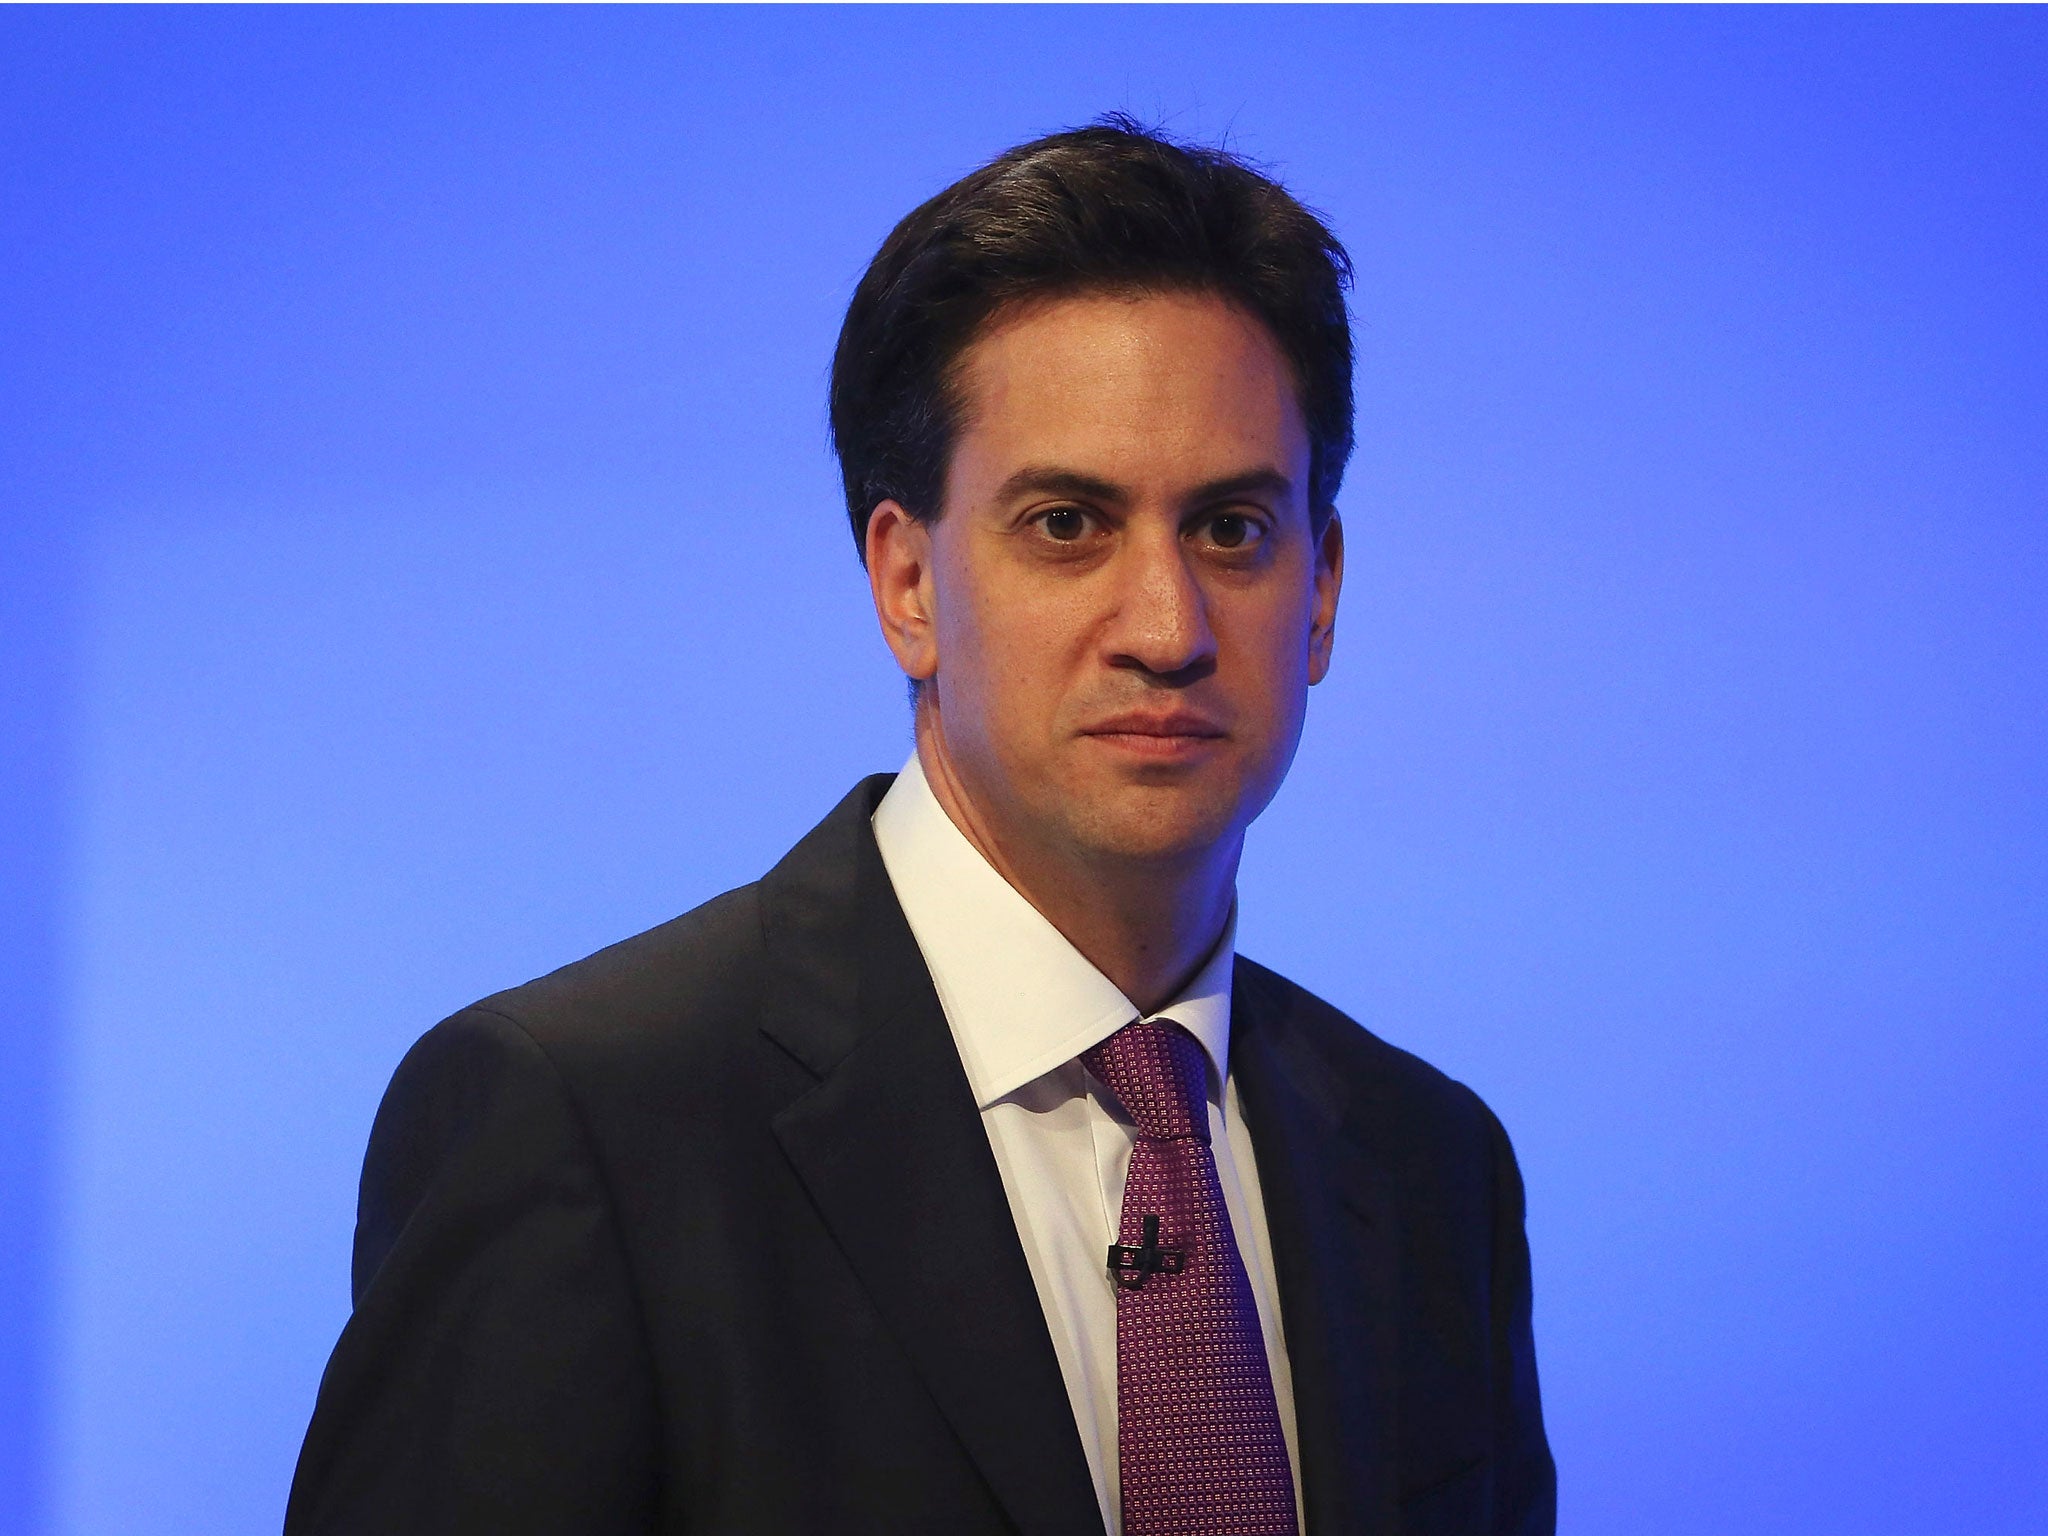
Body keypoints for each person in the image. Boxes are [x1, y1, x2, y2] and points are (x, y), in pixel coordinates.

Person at [285, 117, 1554, 1536]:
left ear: (1319, 588)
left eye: (1232, 530)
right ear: (905, 582)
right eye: (1069, 524)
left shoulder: (1430, 1166)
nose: (1167, 627)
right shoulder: (580, 1125)